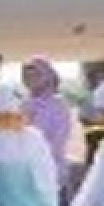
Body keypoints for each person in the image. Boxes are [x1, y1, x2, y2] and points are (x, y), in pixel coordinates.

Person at [21, 55, 73, 197]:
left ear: (47, 76)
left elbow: (59, 140)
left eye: (36, 76)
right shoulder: (24, 104)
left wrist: (37, 157)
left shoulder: (58, 105)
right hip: (25, 172)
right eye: (26, 77)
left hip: (51, 170)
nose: (30, 80)